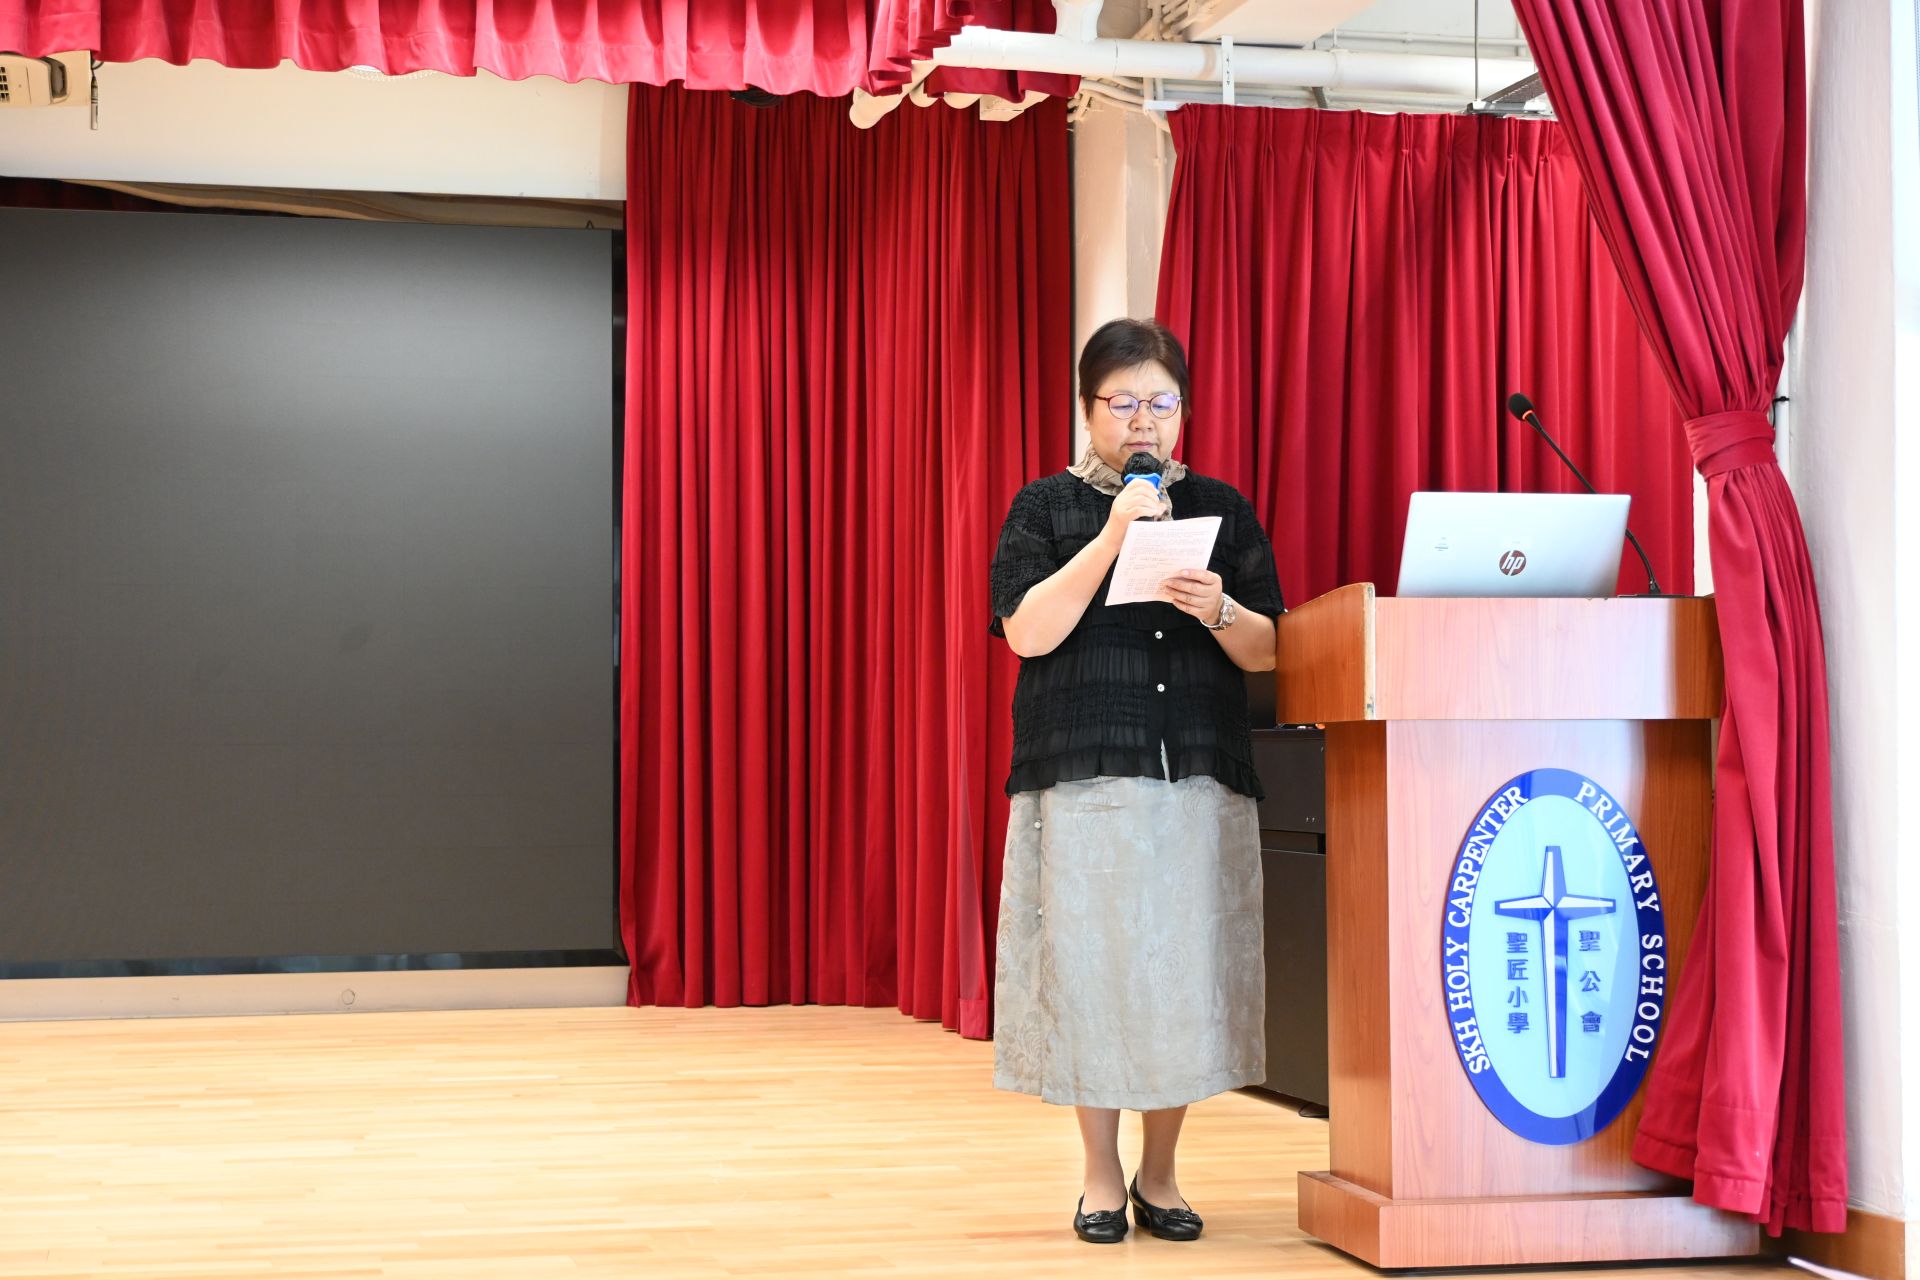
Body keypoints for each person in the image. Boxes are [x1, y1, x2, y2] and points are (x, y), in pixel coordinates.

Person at [988, 317, 1285, 1245]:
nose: (1143, 420)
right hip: (1085, 777)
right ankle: (1099, 1174)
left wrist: (1221, 608)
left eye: (1161, 401)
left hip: (1195, 770)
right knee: (1095, 976)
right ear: (1088, 411)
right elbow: (1026, 631)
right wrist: (1114, 536)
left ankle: (1161, 1173)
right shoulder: (1044, 507)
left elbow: (1269, 649)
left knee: (1181, 979)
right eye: (1123, 402)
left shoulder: (1223, 509)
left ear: (1183, 411)